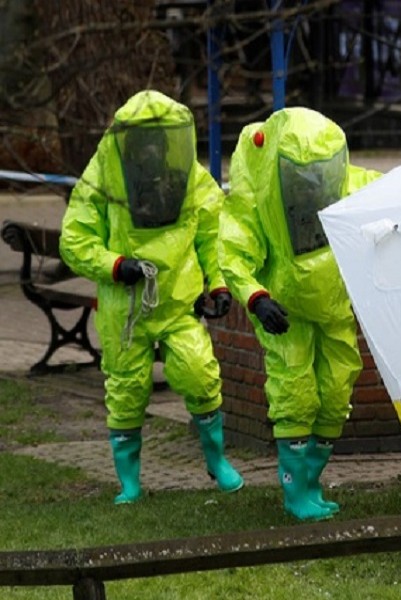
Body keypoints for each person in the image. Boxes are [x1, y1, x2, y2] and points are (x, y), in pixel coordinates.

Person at [59, 89, 243, 504]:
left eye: (160, 141)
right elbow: (75, 240)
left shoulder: (190, 177)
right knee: (126, 390)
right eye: (144, 141)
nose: (153, 150)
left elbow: (213, 235)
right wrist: (114, 264)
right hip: (126, 309)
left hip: (178, 302)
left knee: (199, 374)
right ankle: (130, 481)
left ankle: (217, 460)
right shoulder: (103, 178)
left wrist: (218, 285)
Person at [218, 107, 380, 521]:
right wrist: (257, 298)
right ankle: (295, 494)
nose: (311, 184)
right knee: (296, 391)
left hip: (331, 305)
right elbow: (233, 253)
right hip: (285, 309)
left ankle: (310, 482)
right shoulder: (260, 195)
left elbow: (389, 196)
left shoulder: (341, 181)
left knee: (338, 385)